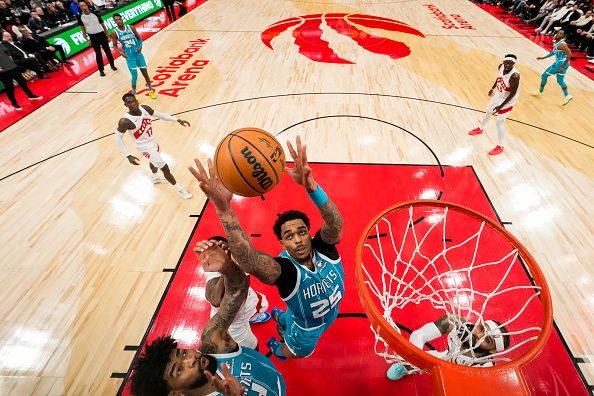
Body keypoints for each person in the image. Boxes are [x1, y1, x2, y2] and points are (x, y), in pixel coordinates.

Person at [188, 136, 345, 361]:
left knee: (291, 314)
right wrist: (224, 210)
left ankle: (282, 319)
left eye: (302, 232)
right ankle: (279, 347)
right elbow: (249, 260)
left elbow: (335, 224)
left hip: (327, 314)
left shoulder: (324, 249)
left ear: (310, 235)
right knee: (294, 351)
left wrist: (312, 187)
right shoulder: (286, 272)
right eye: (289, 236)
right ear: (282, 244)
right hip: (306, 329)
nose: (298, 240)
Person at [129, 240, 286, 396]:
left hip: (277, 382)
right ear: (175, 393)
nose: (190, 360)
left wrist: (227, 266)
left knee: (252, 336)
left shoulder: (212, 343)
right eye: (179, 370)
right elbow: (216, 298)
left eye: (183, 353)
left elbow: (237, 291)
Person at [115, 93, 193, 200]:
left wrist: (177, 120)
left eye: (134, 101)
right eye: (129, 102)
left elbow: (160, 115)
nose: (133, 104)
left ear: (137, 101)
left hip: (152, 141)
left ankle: (155, 177)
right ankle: (180, 189)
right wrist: (128, 155)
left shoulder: (145, 109)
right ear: (125, 105)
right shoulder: (125, 121)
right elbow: (117, 138)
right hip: (143, 147)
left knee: (153, 161)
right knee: (165, 168)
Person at [386, 315, 511, 380]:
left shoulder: (486, 368)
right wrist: (416, 360)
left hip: (458, 377)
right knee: (410, 356)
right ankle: (405, 368)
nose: (478, 335)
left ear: (493, 350)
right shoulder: (456, 323)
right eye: (481, 328)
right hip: (444, 358)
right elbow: (419, 334)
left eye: (487, 340)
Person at [205, 236, 271, 350]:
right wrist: (224, 267)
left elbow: (243, 289)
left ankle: (252, 318)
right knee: (252, 347)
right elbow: (216, 300)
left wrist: (229, 264)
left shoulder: (238, 260)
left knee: (263, 303)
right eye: (212, 251)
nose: (216, 253)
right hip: (231, 321)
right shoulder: (210, 269)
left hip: (246, 299)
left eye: (220, 248)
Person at [468, 54, 520, 156]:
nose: (508, 65)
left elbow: (513, 93)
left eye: (510, 64)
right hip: (499, 94)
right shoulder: (501, 66)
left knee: (499, 122)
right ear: (503, 62)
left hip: (508, 100)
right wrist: (492, 88)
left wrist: (500, 106)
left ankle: (500, 146)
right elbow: (499, 78)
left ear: (513, 64)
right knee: (488, 111)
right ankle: (480, 128)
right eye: (506, 63)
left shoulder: (515, 76)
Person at [110, 13, 157, 99]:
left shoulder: (131, 27)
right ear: (115, 22)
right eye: (116, 20)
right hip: (130, 57)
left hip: (138, 54)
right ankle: (134, 94)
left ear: (122, 19)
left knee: (145, 73)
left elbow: (139, 38)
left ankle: (150, 90)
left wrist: (140, 46)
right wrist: (121, 53)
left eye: (119, 19)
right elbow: (114, 46)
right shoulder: (114, 32)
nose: (118, 21)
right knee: (134, 75)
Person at [530, 29, 573, 105]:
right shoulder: (557, 43)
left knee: (544, 75)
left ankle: (540, 91)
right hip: (563, 63)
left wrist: (562, 67)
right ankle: (567, 95)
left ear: (563, 36)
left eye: (561, 33)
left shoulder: (562, 44)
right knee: (560, 80)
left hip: (561, 63)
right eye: (558, 32)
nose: (558, 34)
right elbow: (554, 52)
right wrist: (544, 57)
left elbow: (569, 55)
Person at [77, 0, 116, 77]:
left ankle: (112, 65)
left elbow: (103, 26)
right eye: (81, 6)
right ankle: (101, 70)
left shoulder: (95, 14)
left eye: (84, 5)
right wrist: (87, 40)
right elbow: (83, 29)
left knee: (108, 51)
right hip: (93, 36)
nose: (83, 7)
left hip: (101, 35)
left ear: (87, 5)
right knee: (98, 54)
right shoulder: (80, 17)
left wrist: (108, 36)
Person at [0, 44, 43, 110]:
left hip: (12, 67)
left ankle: (30, 95)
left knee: (22, 82)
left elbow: (7, 51)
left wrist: (10, 58)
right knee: (10, 87)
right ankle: (14, 103)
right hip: (3, 72)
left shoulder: (1, 44)